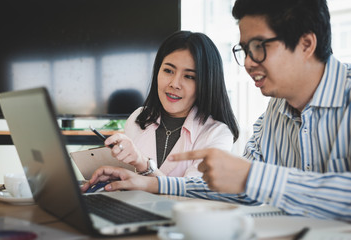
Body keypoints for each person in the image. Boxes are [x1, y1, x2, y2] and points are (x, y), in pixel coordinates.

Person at [82, 0, 351, 222]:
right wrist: (150, 183)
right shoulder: (275, 112)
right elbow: (244, 191)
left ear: (306, 44)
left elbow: (251, 180)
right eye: (244, 50)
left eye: (258, 48)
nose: (247, 63)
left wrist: (251, 176)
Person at [102, 30, 239, 177]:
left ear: (206, 83)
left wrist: (143, 164)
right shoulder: (139, 117)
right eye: (168, 70)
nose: (174, 84)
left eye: (189, 76)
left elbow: (191, 193)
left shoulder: (217, 134)